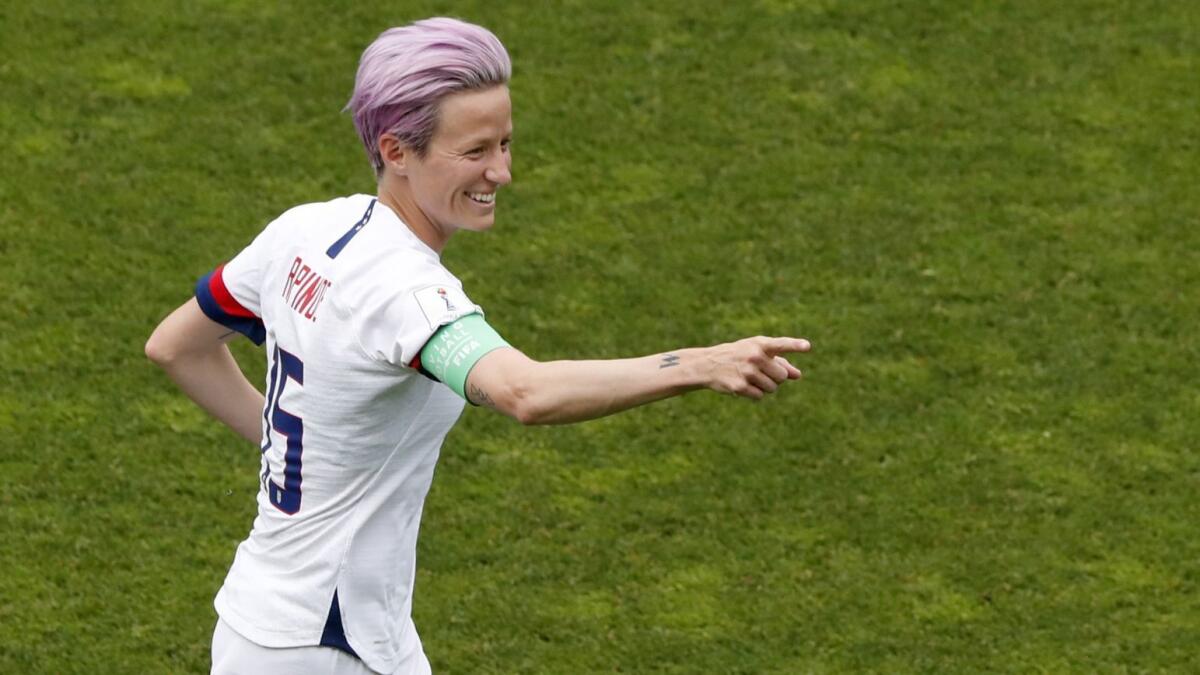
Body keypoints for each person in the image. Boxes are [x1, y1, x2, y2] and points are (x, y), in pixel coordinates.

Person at [145, 16, 811, 675]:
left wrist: (297, 451)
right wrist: (700, 363)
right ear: (397, 151)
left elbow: (177, 347)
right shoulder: (405, 293)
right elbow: (526, 392)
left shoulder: (305, 230)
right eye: (476, 152)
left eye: (505, 143)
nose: (503, 172)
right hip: (328, 642)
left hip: (269, 619)